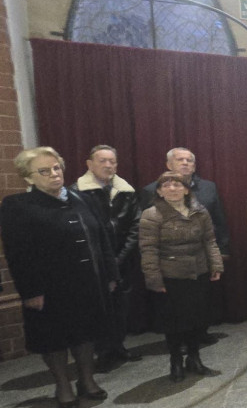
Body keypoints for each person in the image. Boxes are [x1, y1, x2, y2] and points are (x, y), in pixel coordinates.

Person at [0, 147, 118, 408]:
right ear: (28, 177)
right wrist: (30, 292)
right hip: (49, 289)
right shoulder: (18, 206)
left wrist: (110, 274)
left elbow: (102, 240)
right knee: (55, 339)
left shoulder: (82, 198)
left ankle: (86, 380)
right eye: (44, 171)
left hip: (88, 284)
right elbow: (17, 253)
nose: (54, 174)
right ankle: (63, 385)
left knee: (86, 334)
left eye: (56, 168)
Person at [139, 171, 224, 382]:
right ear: (159, 191)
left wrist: (216, 264)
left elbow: (210, 240)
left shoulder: (199, 211)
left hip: (198, 272)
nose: (172, 189)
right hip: (171, 276)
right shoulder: (151, 214)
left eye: (177, 185)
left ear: (186, 189)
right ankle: (176, 361)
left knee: (197, 319)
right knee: (174, 323)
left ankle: (194, 358)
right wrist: (154, 279)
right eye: (166, 185)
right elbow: (148, 250)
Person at [141, 148, 230, 343]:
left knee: (199, 307)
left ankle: (197, 343)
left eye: (189, 160)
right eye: (180, 159)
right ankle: (178, 354)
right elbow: (148, 244)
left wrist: (220, 253)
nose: (185, 163)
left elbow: (217, 224)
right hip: (170, 266)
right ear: (168, 165)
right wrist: (153, 275)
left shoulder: (208, 188)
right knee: (174, 312)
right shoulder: (150, 193)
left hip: (200, 260)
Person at [73, 144, 142, 368]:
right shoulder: (77, 192)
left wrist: (120, 258)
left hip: (123, 258)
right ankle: (103, 352)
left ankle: (118, 346)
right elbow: (81, 229)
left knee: (122, 306)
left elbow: (135, 225)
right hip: (94, 262)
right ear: (89, 164)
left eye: (112, 161)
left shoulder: (126, 191)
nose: (108, 165)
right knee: (100, 307)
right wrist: (104, 260)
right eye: (102, 161)